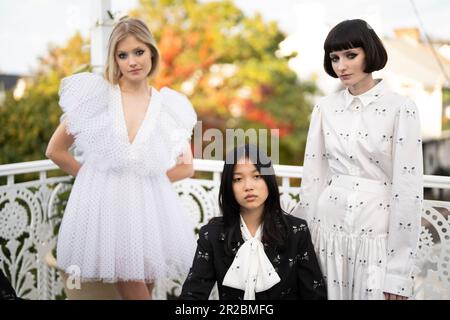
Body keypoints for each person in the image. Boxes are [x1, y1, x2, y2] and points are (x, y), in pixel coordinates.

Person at [46, 17, 197, 300]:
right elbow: (55, 150)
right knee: (137, 293)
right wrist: (94, 180)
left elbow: (187, 166)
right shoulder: (99, 98)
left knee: (145, 291)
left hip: (150, 215)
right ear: (114, 59)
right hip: (110, 214)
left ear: (152, 52)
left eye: (139, 52)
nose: (132, 62)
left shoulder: (168, 107)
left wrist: (149, 180)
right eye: (122, 55)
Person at [292, 19, 423, 300]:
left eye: (351, 55)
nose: (341, 66)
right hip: (327, 234)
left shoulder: (401, 108)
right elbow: (313, 180)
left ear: (369, 53)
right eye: (335, 58)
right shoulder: (324, 108)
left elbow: (408, 189)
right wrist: (306, 248)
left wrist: (398, 274)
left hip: (376, 236)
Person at [180, 144, 326, 300]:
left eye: (257, 176)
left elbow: (315, 295)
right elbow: (192, 295)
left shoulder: (297, 230)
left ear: (268, 180)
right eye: (238, 179)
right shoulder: (212, 234)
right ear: (229, 186)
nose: (248, 186)